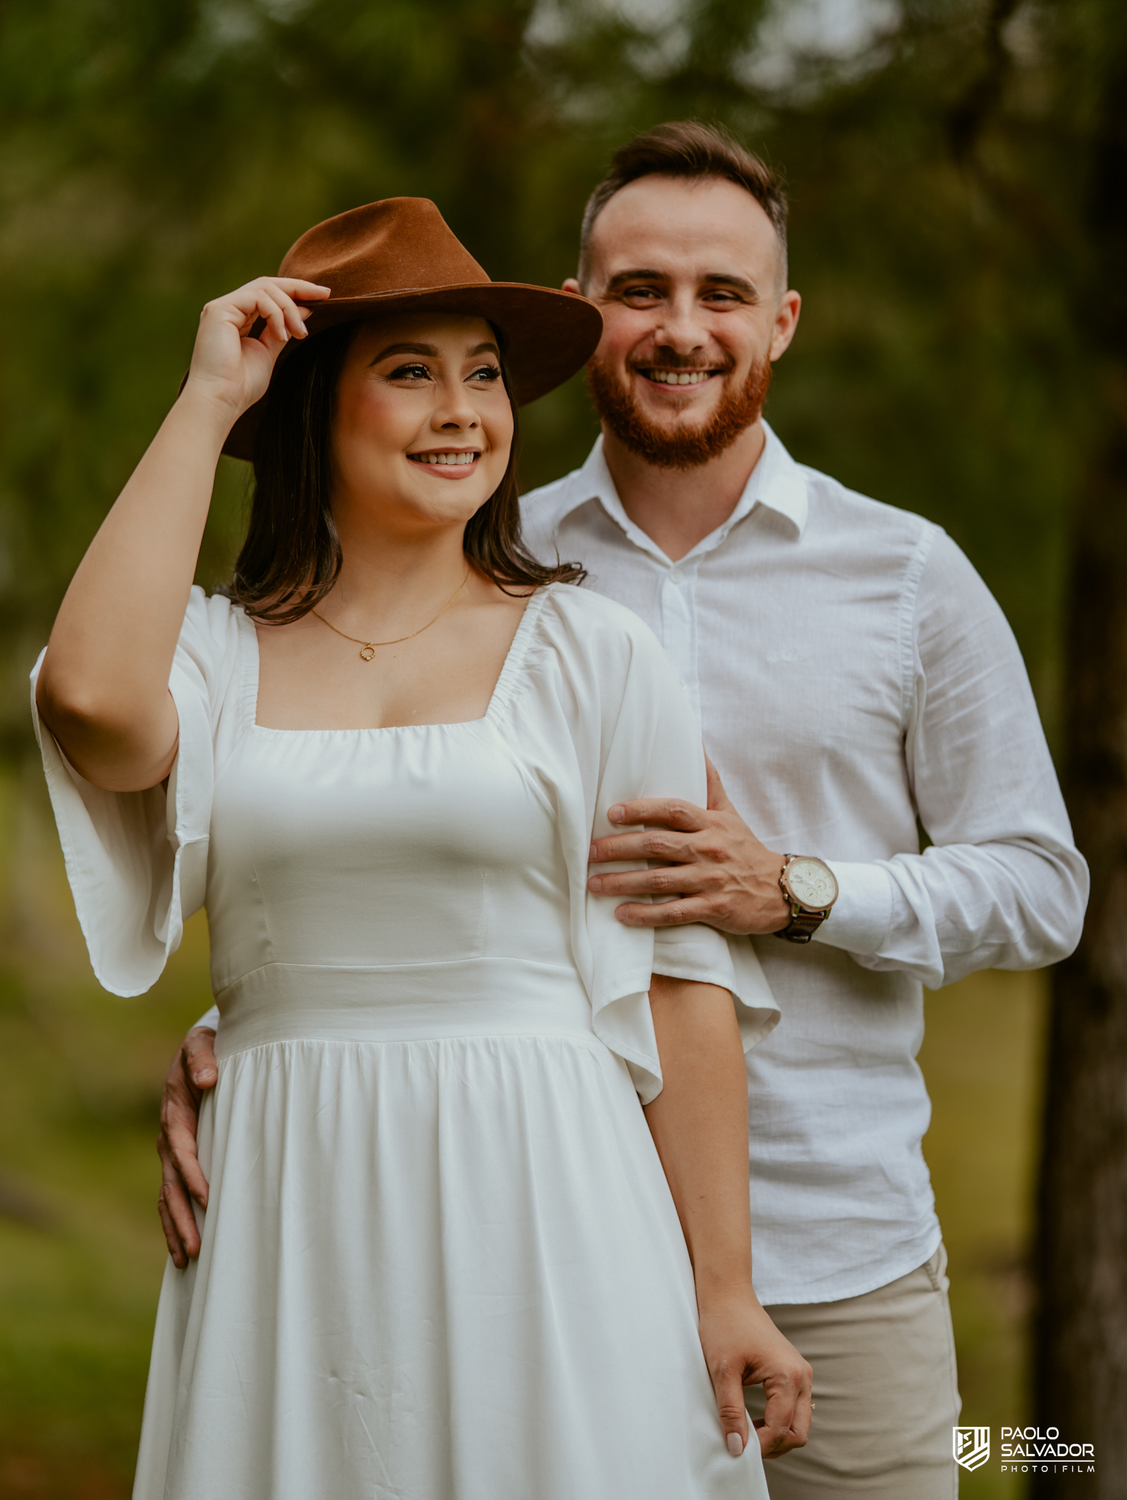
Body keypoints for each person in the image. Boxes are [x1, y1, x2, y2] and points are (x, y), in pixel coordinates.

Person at [157, 126, 1089, 1498]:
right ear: (585, 309)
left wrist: (802, 891)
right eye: (641, 288)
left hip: (837, 1245)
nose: (682, 328)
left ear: (783, 321)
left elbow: (1040, 885)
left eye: (723, 294)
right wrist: (259, 1012)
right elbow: (396, 831)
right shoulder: (473, 548)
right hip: (533, 1251)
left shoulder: (907, 574)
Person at [32, 196, 810, 1500]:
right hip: (294, 1189)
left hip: (547, 1182)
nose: (464, 412)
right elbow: (93, 707)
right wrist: (209, 401)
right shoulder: (214, 660)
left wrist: (726, 1291)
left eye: (486, 376)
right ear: (313, 410)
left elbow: (680, 979)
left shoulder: (591, 652)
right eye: (411, 374)